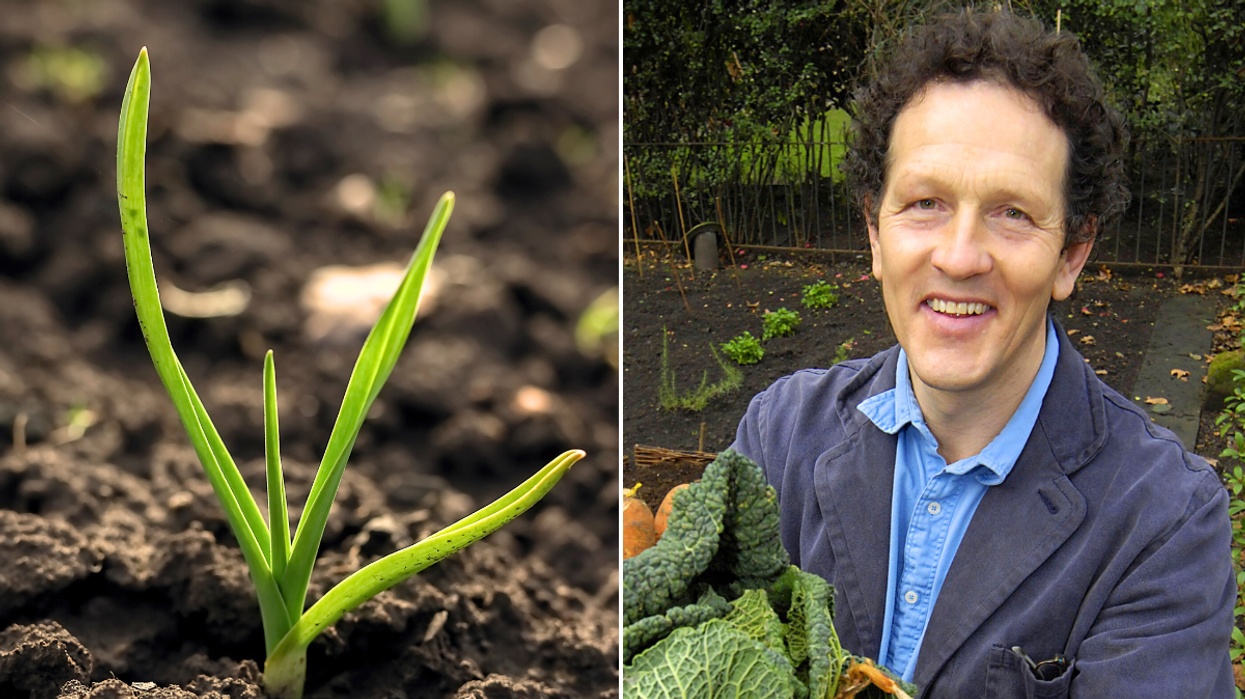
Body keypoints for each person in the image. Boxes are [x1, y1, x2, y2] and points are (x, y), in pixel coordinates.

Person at [730, 8, 1235, 697]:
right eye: (924, 202)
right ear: (875, 234)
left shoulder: (1162, 519)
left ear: (1071, 253)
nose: (960, 256)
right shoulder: (781, 436)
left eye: (1012, 213)